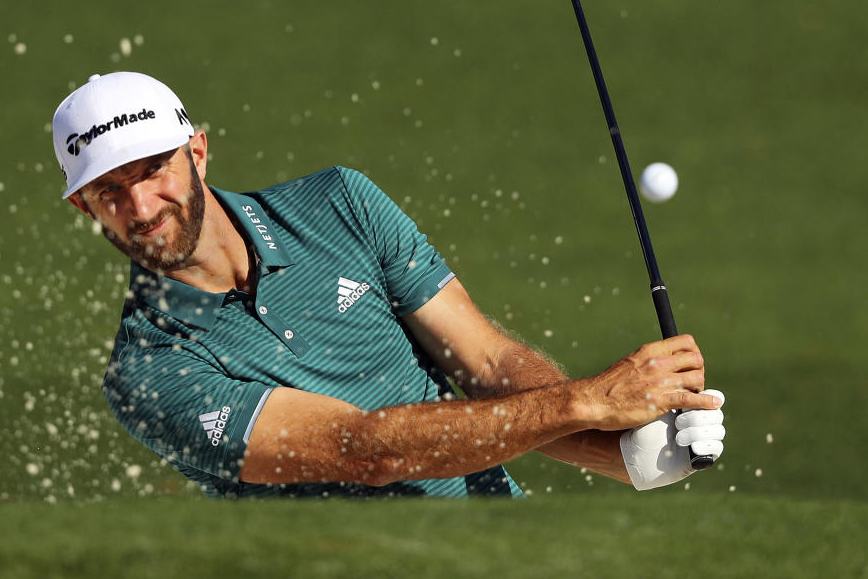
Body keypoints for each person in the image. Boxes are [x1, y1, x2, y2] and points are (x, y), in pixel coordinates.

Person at [52, 71, 726, 499]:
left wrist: (622, 453)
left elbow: (489, 365)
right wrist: (589, 402)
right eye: (109, 191)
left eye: (152, 170)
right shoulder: (148, 372)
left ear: (196, 151)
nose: (140, 207)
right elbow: (365, 451)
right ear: (84, 208)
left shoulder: (338, 203)